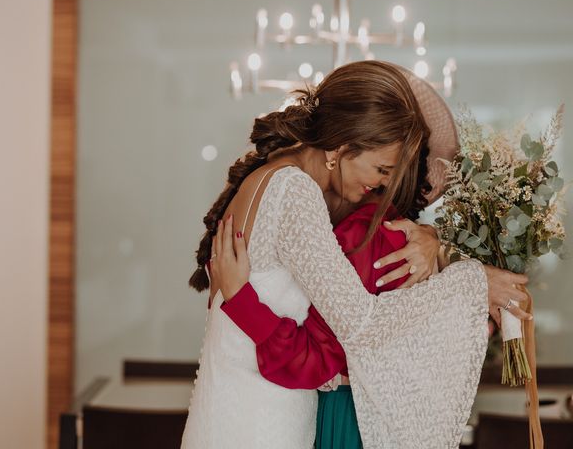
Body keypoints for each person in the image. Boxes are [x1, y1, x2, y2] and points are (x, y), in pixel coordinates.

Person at [181, 61, 530, 449]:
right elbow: (362, 323)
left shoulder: (274, 176)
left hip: (235, 404)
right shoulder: (295, 192)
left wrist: (435, 242)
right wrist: (475, 283)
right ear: (343, 147)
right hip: (260, 418)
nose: (383, 183)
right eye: (382, 169)